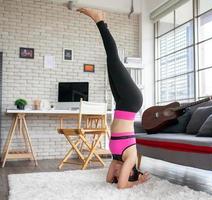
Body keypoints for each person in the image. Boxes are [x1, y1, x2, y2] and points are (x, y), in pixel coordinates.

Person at [77, 8, 150, 189]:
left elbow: (110, 181)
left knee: (110, 61)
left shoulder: (117, 158)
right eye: (122, 173)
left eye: (117, 174)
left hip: (122, 104)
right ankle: (100, 21)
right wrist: (137, 182)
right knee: (113, 59)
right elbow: (121, 186)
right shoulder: (130, 157)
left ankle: (101, 22)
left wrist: (117, 174)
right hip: (132, 101)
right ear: (130, 170)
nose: (116, 173)